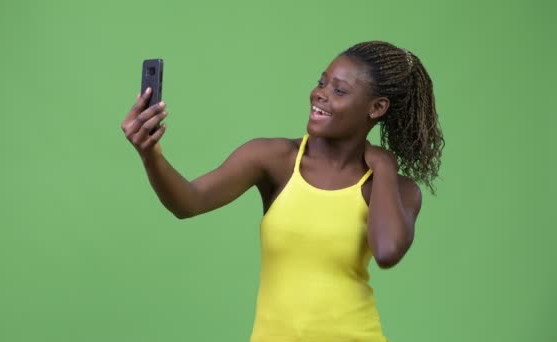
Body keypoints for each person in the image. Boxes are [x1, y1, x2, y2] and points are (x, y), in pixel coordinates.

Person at [121, 40, 444, 342]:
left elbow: (387, 252)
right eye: (321, 82)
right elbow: (189, 202)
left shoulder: (395, 189)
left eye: (340, 90)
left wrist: (385, 167)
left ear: (376, 108)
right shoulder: (272, 159)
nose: (321, 94)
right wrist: (151, 153)